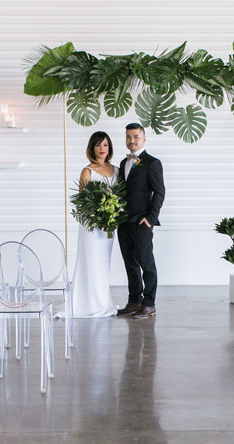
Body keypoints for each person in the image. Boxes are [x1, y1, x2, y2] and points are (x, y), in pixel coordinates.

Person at [117, 123, 165, 319]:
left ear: (143, 139)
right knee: (130, 263)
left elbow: (160, 193)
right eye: (129, 137)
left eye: (136, 137)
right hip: (123, 222)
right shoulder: (123, 163)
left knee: (146, 263)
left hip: (141, 222)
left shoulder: (153, 163)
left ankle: (149, 303)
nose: (132, 140)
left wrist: (150, 219)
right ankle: (134, 301)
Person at [70, 131, 118, 318]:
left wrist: (110, 215)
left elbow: (120, 197)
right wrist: (97, 215)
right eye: (98, 145)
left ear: (109, 147)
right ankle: (87, 304)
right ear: (92, 148)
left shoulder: (117, 170)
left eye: (105, 145)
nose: (102, 149)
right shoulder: (87, 171)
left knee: (103, 264)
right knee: (90, 262)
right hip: (91, 227)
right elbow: (82, 202)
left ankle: (102, 301)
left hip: (109, 227)